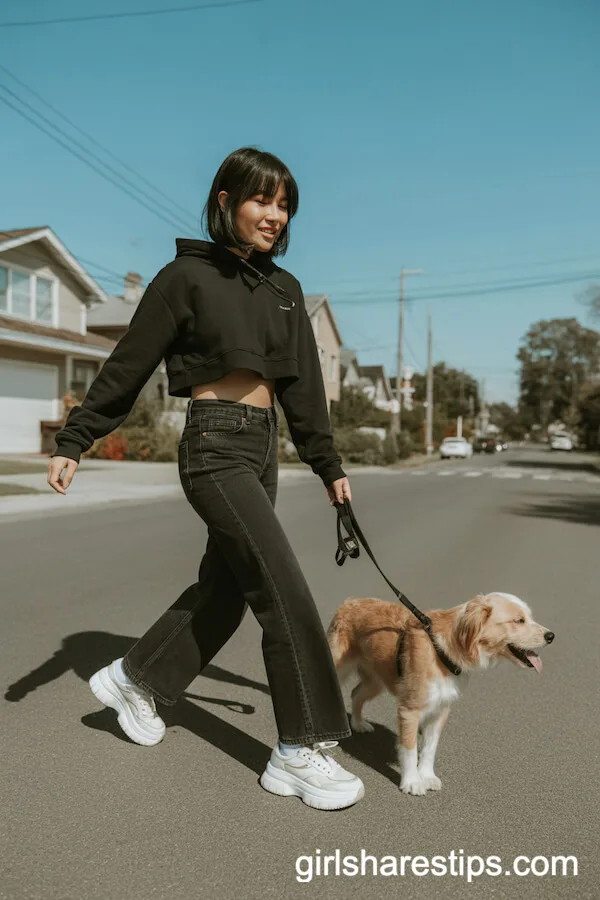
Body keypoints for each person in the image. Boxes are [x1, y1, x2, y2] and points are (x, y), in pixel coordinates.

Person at [47, 147, 364, 811]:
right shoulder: (184, 278)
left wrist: (329, 464)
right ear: (225, 201)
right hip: (214, 445)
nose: (274, 216)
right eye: (261, 201)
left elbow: (302, 391)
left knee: (227, 588)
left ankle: (139, 678)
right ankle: (299, 748)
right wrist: (76, 438)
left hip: (264, 446)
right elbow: (127, 364)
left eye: (284, 205)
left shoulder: (285, 291)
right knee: (283, 590)